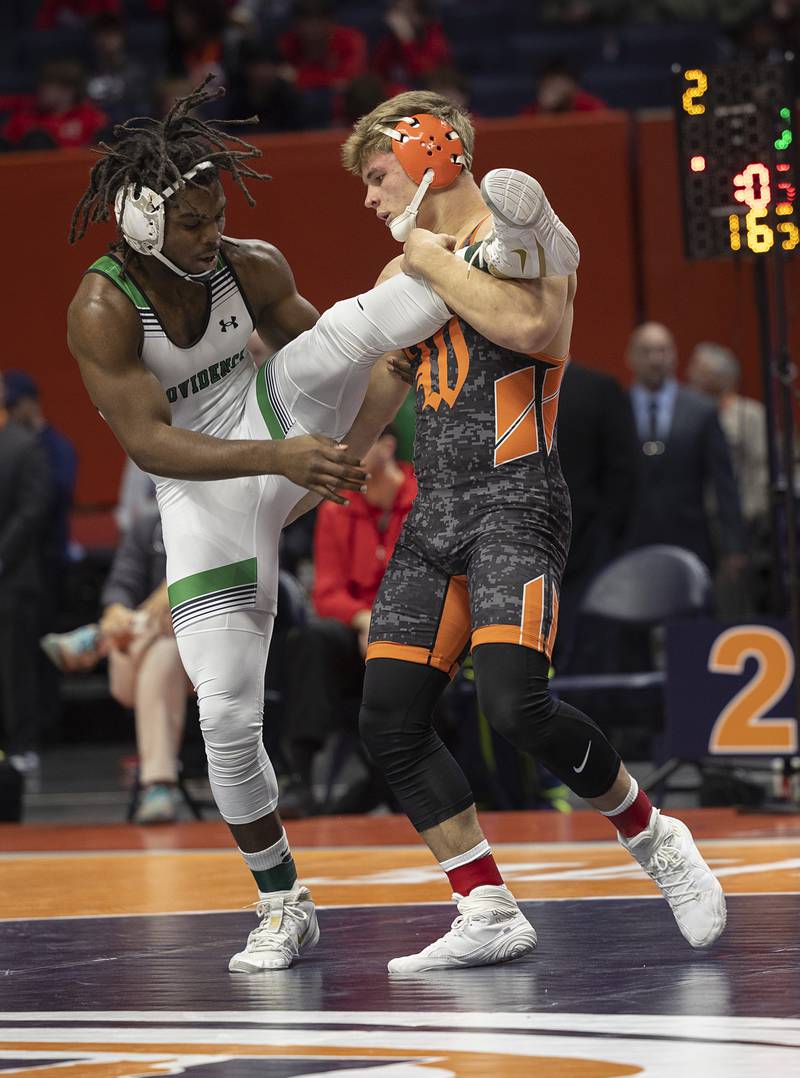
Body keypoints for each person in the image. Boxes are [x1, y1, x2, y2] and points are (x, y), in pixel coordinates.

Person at [65, 78, 544, 973]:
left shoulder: (250, 261)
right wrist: (281, 463)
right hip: (203, 484)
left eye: (216, 217)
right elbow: (150, 445)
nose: (214, 238)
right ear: (138, 227)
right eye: (194, 226)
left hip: (272, 413)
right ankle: (282, 900)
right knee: (224, 717)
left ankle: (503, 247)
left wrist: (368, 442)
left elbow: (349, 354)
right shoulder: (99, 310)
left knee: (353, 325)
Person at [341, 89, 726, 973]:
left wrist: (426, 260)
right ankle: (484, 906)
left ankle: (657, 840)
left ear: (429, 156)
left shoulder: (526, 232)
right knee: (390, 717)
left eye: (375, 175)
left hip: (518, 502)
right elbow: (385, 388)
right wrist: (319, 463)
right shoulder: (405, 270)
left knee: (516, 703)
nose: (368, 199)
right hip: (434, 511)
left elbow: (531, 325)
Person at [282, 426, 417, 815]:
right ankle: (301, 777)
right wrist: (364, 620)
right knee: (312, 640)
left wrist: (387, 624)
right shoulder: (335, 505)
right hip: (356, 638)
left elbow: (434, 580)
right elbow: (326, 593)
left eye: (359, 443)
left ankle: (396, 780)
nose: (347, 451)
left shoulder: (426, 498)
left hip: (412, 629)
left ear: (387, 446)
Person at [42, 505, 193, 824]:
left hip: (207, 656)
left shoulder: (223, 520)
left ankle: (159, 785)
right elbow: (122, 580)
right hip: (140, 659)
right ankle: (108, 635)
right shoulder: (150, 525)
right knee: (159, 647)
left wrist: (177, 590)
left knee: (165, 649)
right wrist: (114, 612)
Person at [625, 323, 747, 577]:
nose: (656, 360)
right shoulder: (617, 407)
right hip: (630, 541)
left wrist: (734, 545)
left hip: (690, 539)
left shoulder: (701, 410)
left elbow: (724, 481)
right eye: (646, 351)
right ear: (630, 357)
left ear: (675, 355)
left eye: (663, 351)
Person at [0, 372, 52, 779]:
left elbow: (34, 509)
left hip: (14, 577)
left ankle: (22, 746)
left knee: (16, 665)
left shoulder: (24, 445)